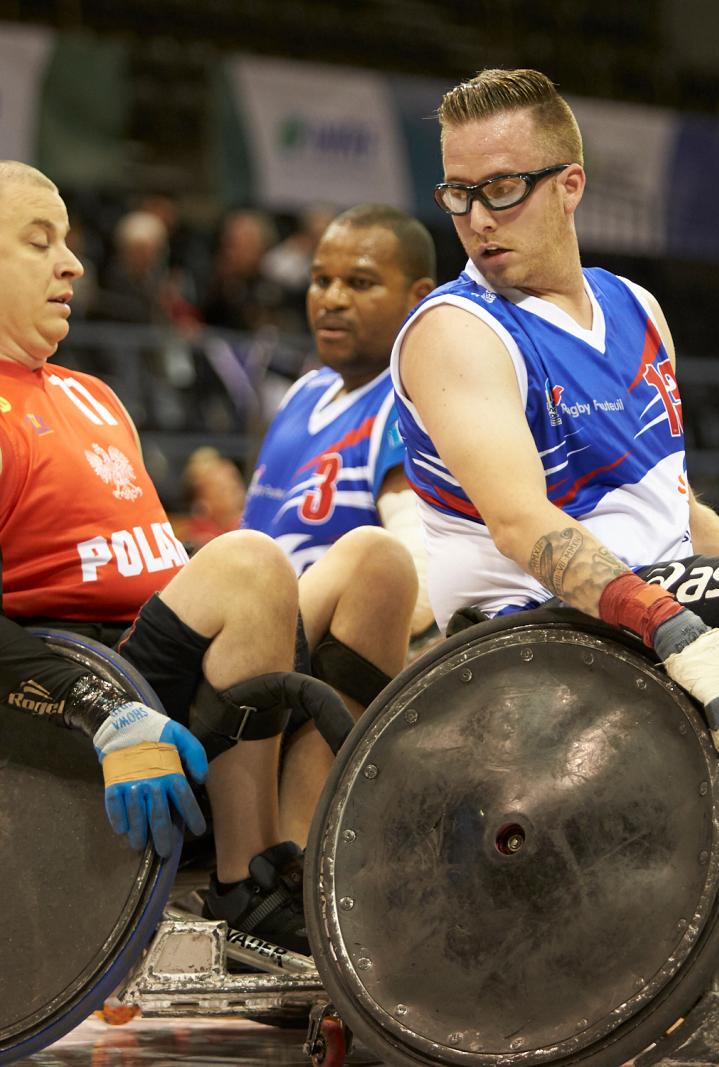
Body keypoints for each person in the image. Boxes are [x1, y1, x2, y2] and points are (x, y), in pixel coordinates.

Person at [389, 70, 719, 896]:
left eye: (502, 188)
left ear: (570, 184)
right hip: (531, 635)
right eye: (457, 193)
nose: (475, 219)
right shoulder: (456, 330)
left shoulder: (639, 308)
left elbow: (678, 509)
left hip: (653, 599)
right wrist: (675, 627)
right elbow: (518, 523)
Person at [0, 160, 417, 953]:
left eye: (68, 240)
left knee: (376, 561)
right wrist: (100, 707)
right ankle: (245, 885)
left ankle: (304, 864)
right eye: (38, 241)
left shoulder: (92, 393)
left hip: (175, 674)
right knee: (250, 562)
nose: (72, 263)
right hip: (76, 701)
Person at [242, 203, 437, 638]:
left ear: (418, 296)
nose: (332, 299)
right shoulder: (304, 393)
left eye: (359, 283)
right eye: (321, 280)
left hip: (313, 675)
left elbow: (417, 593)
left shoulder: (414, 399)